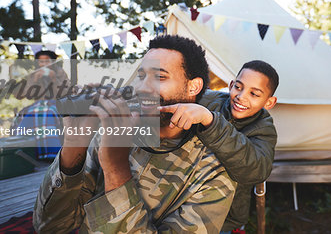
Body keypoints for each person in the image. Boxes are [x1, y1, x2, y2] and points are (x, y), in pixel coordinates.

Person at [33, 35, 237, 233]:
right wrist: (74, 144)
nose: (141, 88)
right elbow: (49, 226)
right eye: (141, 76)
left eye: (160, 77)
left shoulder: (214, 170)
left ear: (193, 86)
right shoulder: (110, 135)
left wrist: (116, 168)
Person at [159, 60, 279, 232]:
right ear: (231, 85)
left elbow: (257, 169)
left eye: (254, 94)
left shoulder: (264, 130)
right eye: (238, 87)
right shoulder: (206, 99)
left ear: (269, 102)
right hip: (172, 202)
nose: (242, 96)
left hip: (221, 219)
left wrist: (211, 122)